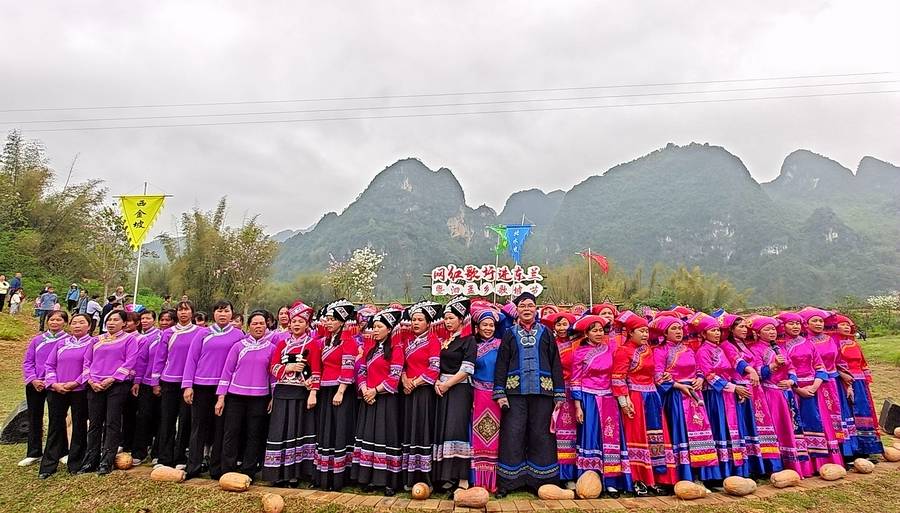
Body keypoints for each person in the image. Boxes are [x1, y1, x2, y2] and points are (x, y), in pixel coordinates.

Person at [492, 292, 565, 497]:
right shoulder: (509, 334)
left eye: (530, 305)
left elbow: (555, 363)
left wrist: (559, 394)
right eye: (522, 305)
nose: (526, 309)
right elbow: (502, 364)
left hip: (543, 391)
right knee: (512, 434)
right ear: (517, 310)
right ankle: (509, 482)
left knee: (541, 434)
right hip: (515, 392)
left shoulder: (546, 333)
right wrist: (500, 392)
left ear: (536, 309)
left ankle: (540, 481)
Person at [611, 311, 676, 496]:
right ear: (630, 333)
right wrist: (624, 402)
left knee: (655, 436)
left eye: (646, 331)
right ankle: (637, 479)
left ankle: (655, 478)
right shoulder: (623, 351)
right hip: (635, 397)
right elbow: (618, 378)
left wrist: (664, 377)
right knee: (636, 436)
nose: (645, 334)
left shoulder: (648, 350)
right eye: (641, 331)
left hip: (652, 396)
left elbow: (653, 373)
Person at [651, 315, 720, 484]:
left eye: (680, 329)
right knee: (681, 433)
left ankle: (704, 474)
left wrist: (700, 378)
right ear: (665, 333)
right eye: (673, 329)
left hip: (695, 395)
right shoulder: (660, 351)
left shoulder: (688, 349)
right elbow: (658, 377)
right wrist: (678, 386)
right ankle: (684, 475)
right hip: (676, 396)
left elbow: (698, 369)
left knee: (700, 432)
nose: (678, 332)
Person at [183, 300, 245, 480]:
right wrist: (188, 385)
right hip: (202, 386)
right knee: (198, 426)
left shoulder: (239, 335)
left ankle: (216, 468)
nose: (222, 314)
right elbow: (191, 359)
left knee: (221, 428)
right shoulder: (203, 333)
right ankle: (193, 466)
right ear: (214, 314)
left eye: (226, 311)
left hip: (225, 389)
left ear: (232, 314)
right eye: (219, 311)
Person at [570, 314, 630, 497]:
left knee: (611, 438)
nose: (598, 333)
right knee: (591, 437)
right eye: (594, 331)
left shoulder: (611, 349)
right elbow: (575, 380)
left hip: (609, 398)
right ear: (586, 334)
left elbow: (619, 372)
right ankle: (590, 480)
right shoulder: (579, 353)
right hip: (588, 399)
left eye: (601, 330)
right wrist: (578, 406)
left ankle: (612, 481)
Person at [263, 301, 320, 486]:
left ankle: (294, 473)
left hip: (300, 393)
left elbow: (316, 370)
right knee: (280, 430)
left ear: (307, 324)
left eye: (300, 322)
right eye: (294, 321)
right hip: (282, 392)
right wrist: (288, 367)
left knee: (297, 430)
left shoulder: (312, 344)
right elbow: (273, 366)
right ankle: (277, 473)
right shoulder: (282, 344)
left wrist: (313, 392)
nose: (296, 324)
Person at [718, 314, 782, 476]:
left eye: (746, 327)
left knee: (758, 425)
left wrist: (770, 367)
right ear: (731, 330)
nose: (745, 330)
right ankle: (745, 468)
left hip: (754, 388)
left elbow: (755, 366)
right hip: (741, 388)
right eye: (740, 327)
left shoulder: (745, 344)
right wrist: (751, 371)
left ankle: (763, 465)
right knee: (743, 426)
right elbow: (736, 362)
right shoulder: (726, 345)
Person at [349, 309, 405, 495]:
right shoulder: (370, 349)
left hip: (386, 399)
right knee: (369, 438)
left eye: (379, 327)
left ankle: (388, 481)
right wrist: (365, 389)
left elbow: (395, 376)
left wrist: (375, 390)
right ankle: (369, 478)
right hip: (369, 398)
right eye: (374, 327)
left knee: (385, 438)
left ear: (389, 329)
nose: (375, 330)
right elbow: (361, 371)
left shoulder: (396, 350)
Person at [216, 310, 277, 479]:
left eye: (262, 323)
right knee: (231, 432)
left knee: (254, 434)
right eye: (255, 323)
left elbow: (273, 376)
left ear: (267, 326)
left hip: (260, 398)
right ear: (248, 326)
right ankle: (227, 470)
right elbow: (227, 372)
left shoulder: (272, 348)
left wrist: (273, 397)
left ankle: (249, 470)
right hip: (235, 396)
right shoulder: (238, 346)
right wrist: (221, 397)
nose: (258, 326)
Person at [748, 315, 810, 476]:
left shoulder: (780, 348)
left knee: (791, 428)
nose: (772, 332)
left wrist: (791, 381)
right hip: (770, 394)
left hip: (786, 392)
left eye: (773, 329)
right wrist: (773, 365)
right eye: (767, 329)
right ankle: (775, 466)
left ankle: (795, 464)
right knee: (776, 429)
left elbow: (791, 368)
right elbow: (758, 373)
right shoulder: (755, 349)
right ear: (758, 333)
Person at [80, 310, 138, 475]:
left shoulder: (129, 340)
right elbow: (86, 362)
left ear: (124, 323)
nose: (111, 323)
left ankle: (107, 461)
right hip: (95, 385)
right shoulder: (96, 340)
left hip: (116, 386)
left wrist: (112, 379)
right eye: (109, 320)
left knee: (112, 422)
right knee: (94, 423)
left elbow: (130, 362)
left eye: (115, 320)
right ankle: (90, 460)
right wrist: (90, 380)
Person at [692, 313, 748, 478]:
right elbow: (709, 376)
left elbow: (729, 372)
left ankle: (734, 469)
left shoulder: (720, 349)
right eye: (712, 331)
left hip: (728, 394)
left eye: (718, 330)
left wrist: (736, 388)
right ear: (703, 334)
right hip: (714, 396)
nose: (717, 333)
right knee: (719, 430)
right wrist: (734, 388)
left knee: (732, 431)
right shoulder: (702, 351)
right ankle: (718, 473)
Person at [313, 299, 360, 491]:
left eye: (333, 319)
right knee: (326, 430)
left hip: (341, 391)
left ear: (341, 322)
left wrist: (340, 391)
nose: (329, 322)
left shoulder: (348, 342)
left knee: (340, 429)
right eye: (327, 319)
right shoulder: (325, 342)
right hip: (325, 390)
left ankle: (339, 476)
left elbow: (348, 368)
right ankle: (324, 474)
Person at [432, 296, 476, 493]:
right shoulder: (445, 341)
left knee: (456, 430)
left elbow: (467, 369)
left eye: (451, 318)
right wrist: (437, 382)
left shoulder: (469, 340)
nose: (447, 322)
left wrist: (447, 384)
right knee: (443, 429)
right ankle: (446, 476)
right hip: (441, 387)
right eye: (446, 318)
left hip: (459, 388)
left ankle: (462, 478)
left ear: (461, 319)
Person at [40, 313, 92, 478]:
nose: (77, 325)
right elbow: (49, 365)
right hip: (57, 390)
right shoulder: (61, 343)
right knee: (55, 426)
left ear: (89, 326)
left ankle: (76, 463)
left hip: (79, 390)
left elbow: (91, 367)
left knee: (79, 426)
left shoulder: (93, 343)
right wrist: (54, 383)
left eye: (81, 322)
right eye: (74, 322)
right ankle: (48, 466)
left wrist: (76, 383)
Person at [151, 301, 200, 469]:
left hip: (189, 383)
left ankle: (180, 457)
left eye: (187, 310)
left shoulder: (200, 332)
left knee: (185, 421)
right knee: (167, 420)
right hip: (169, 381)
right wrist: (155, 381)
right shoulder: (168, 333)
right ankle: (164, 457)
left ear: (192, 313)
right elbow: (160, 358)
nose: (183, 313)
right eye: (180, 310)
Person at [398, 300, 442, 488]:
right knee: (409, 430)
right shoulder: (407, 341)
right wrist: (404, 380)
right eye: (413, 320)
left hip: (424, 393)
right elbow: (401, 365)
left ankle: (425, 477)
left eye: (420, 320)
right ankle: (408, 477)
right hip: (408, 392)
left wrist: (414, 383)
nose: (415, 323)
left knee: (422, 431)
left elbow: (434, 369)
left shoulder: (433, 341)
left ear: (428, 323)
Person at [830, 313, 884, 459]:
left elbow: (863, 362)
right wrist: (844, 377)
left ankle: (867, 447)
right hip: (843, 381)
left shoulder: (854, 343)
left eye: (848, 325)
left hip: (860, 382)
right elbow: (834, 363)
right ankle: (851, 449)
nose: (846, 327)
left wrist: (866, 379)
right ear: (834, 327)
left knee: (863, 411)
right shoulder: (833, 344)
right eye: (842, 324)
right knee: (848, 412)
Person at [20, 310, 69, 467]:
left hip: (56, 385)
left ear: (65, 323)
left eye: (59, 320)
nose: (55, 322)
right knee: (34, 417)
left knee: (57, 418)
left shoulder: (68, 341)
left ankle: (62, 452)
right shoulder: (37, 340)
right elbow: (28, 362)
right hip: (36, 384)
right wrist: (33, 379)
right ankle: (34, 452)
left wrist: (53, 382)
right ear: (47, 322)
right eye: (52, 319)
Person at [470, 307, 504, 493]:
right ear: (477, 327)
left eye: (491, 325)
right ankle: (476, 479)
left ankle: (494, 480)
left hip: (496, 395)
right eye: (485, 324)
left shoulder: (501, 344)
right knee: (478, 435)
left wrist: (495, 310)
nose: (488, 328)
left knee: (495, 436)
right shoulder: (471, 346)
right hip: (477, 394)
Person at [542, 311, 578, 487]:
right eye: (559, 324)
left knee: (573, 433)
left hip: (574, 391)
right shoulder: (550, 343)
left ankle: (573, 473)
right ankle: (557, 473)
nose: (562, 328)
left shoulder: (577, 345)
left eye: (565, 324)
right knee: (555, 432)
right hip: (555, 391)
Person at [131, 310, 164, 466]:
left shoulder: (160, 336)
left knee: (160, 417)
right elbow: (141, 362)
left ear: (154, 320)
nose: (144, 321)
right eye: (142, 318)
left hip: (158, 382)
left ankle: (157, 452)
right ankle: (139, 451)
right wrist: (137, 380)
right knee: (142, 417)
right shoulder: (138, 337)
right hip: (144, 382)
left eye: (148, 318)